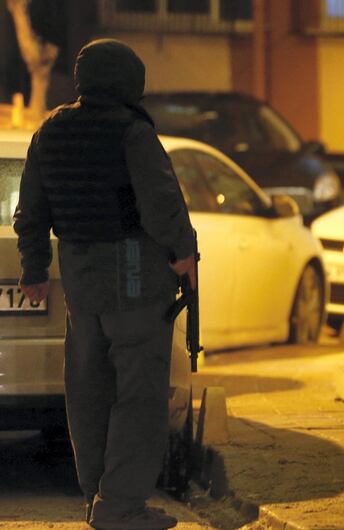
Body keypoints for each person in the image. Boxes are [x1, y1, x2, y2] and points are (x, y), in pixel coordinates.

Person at [13, 39, 195, 530]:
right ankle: (119, 506)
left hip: (78, 273)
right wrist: (185, 254)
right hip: (132, 268)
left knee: (88, 390)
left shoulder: (50, 129)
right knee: (138, 393)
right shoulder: (132, 132)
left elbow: (30, 210)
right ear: (130, 81)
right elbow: (162, 205)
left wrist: (33, 270)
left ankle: (97, 496)